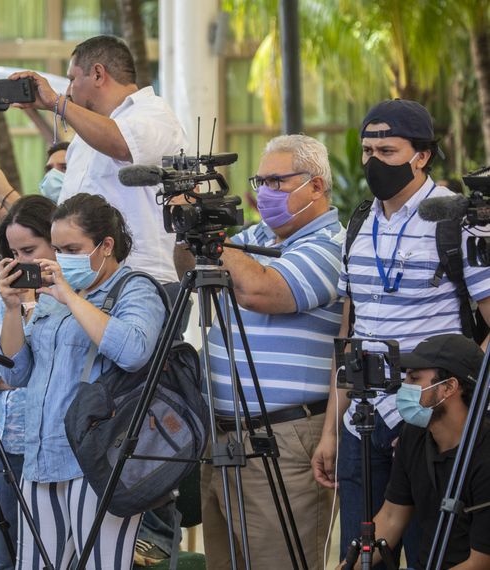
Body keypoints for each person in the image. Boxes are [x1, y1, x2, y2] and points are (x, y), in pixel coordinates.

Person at [312, 99, 490, 567]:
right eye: (367, 150)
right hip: (360, 423)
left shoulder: (456, 220)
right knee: (363, 555)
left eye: (387, 151)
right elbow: (350, 334)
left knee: (429, 553)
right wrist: (332, 428)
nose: (373, 161)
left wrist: (455, 398)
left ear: (422, 155)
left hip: (427, 419)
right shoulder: (359, 222)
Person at [175, 134, 343, 570]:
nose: (264, 192)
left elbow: (261, 290)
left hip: (284, 438)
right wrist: (186, 226)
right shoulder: (255, 236)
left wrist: (213, 236)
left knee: (279, 562)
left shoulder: (332, 246)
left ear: (317, 185)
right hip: (222, 436)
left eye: (277, 181)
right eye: (260, 181)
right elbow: (190, 270)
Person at [0, 193, 166, 569]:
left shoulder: (135, 288)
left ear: (106, 246)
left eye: (72, 248)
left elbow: (135, 351)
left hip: (99, 458)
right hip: (43, 453)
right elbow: (15, 372)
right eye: (57, 248)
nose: (60, 258)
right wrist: (12, 309)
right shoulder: (54, 294)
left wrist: (70, 296)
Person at [9, 35, 187, 285]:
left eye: (72, 79)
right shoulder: (86, 132)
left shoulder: (153, 113)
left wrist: (57, 103)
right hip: (90, 280)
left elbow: (121, 144)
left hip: (140, 278)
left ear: (97, 74)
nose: (68, 91)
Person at [338, 334, 490, 569]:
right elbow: (390, 518)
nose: (404, 386)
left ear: (449, 387)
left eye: (414, 378)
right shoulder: (414, 434)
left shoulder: (484, 452)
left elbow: (480, 562)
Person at [0, 195, 57, 570]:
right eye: (13, 252)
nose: (21, 262)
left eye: (29, 249)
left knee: (52, 556)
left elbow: (54, 371)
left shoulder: (71, 296)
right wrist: (13, 307)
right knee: (5, 559)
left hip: (51, 444)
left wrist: (32, 306)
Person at [0, 117, 69, 218]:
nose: (53, 174)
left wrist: (5, 192)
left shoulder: (83, 214)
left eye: (64, 167)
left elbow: (38, 224)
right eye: (49, 169)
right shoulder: (45, 210)